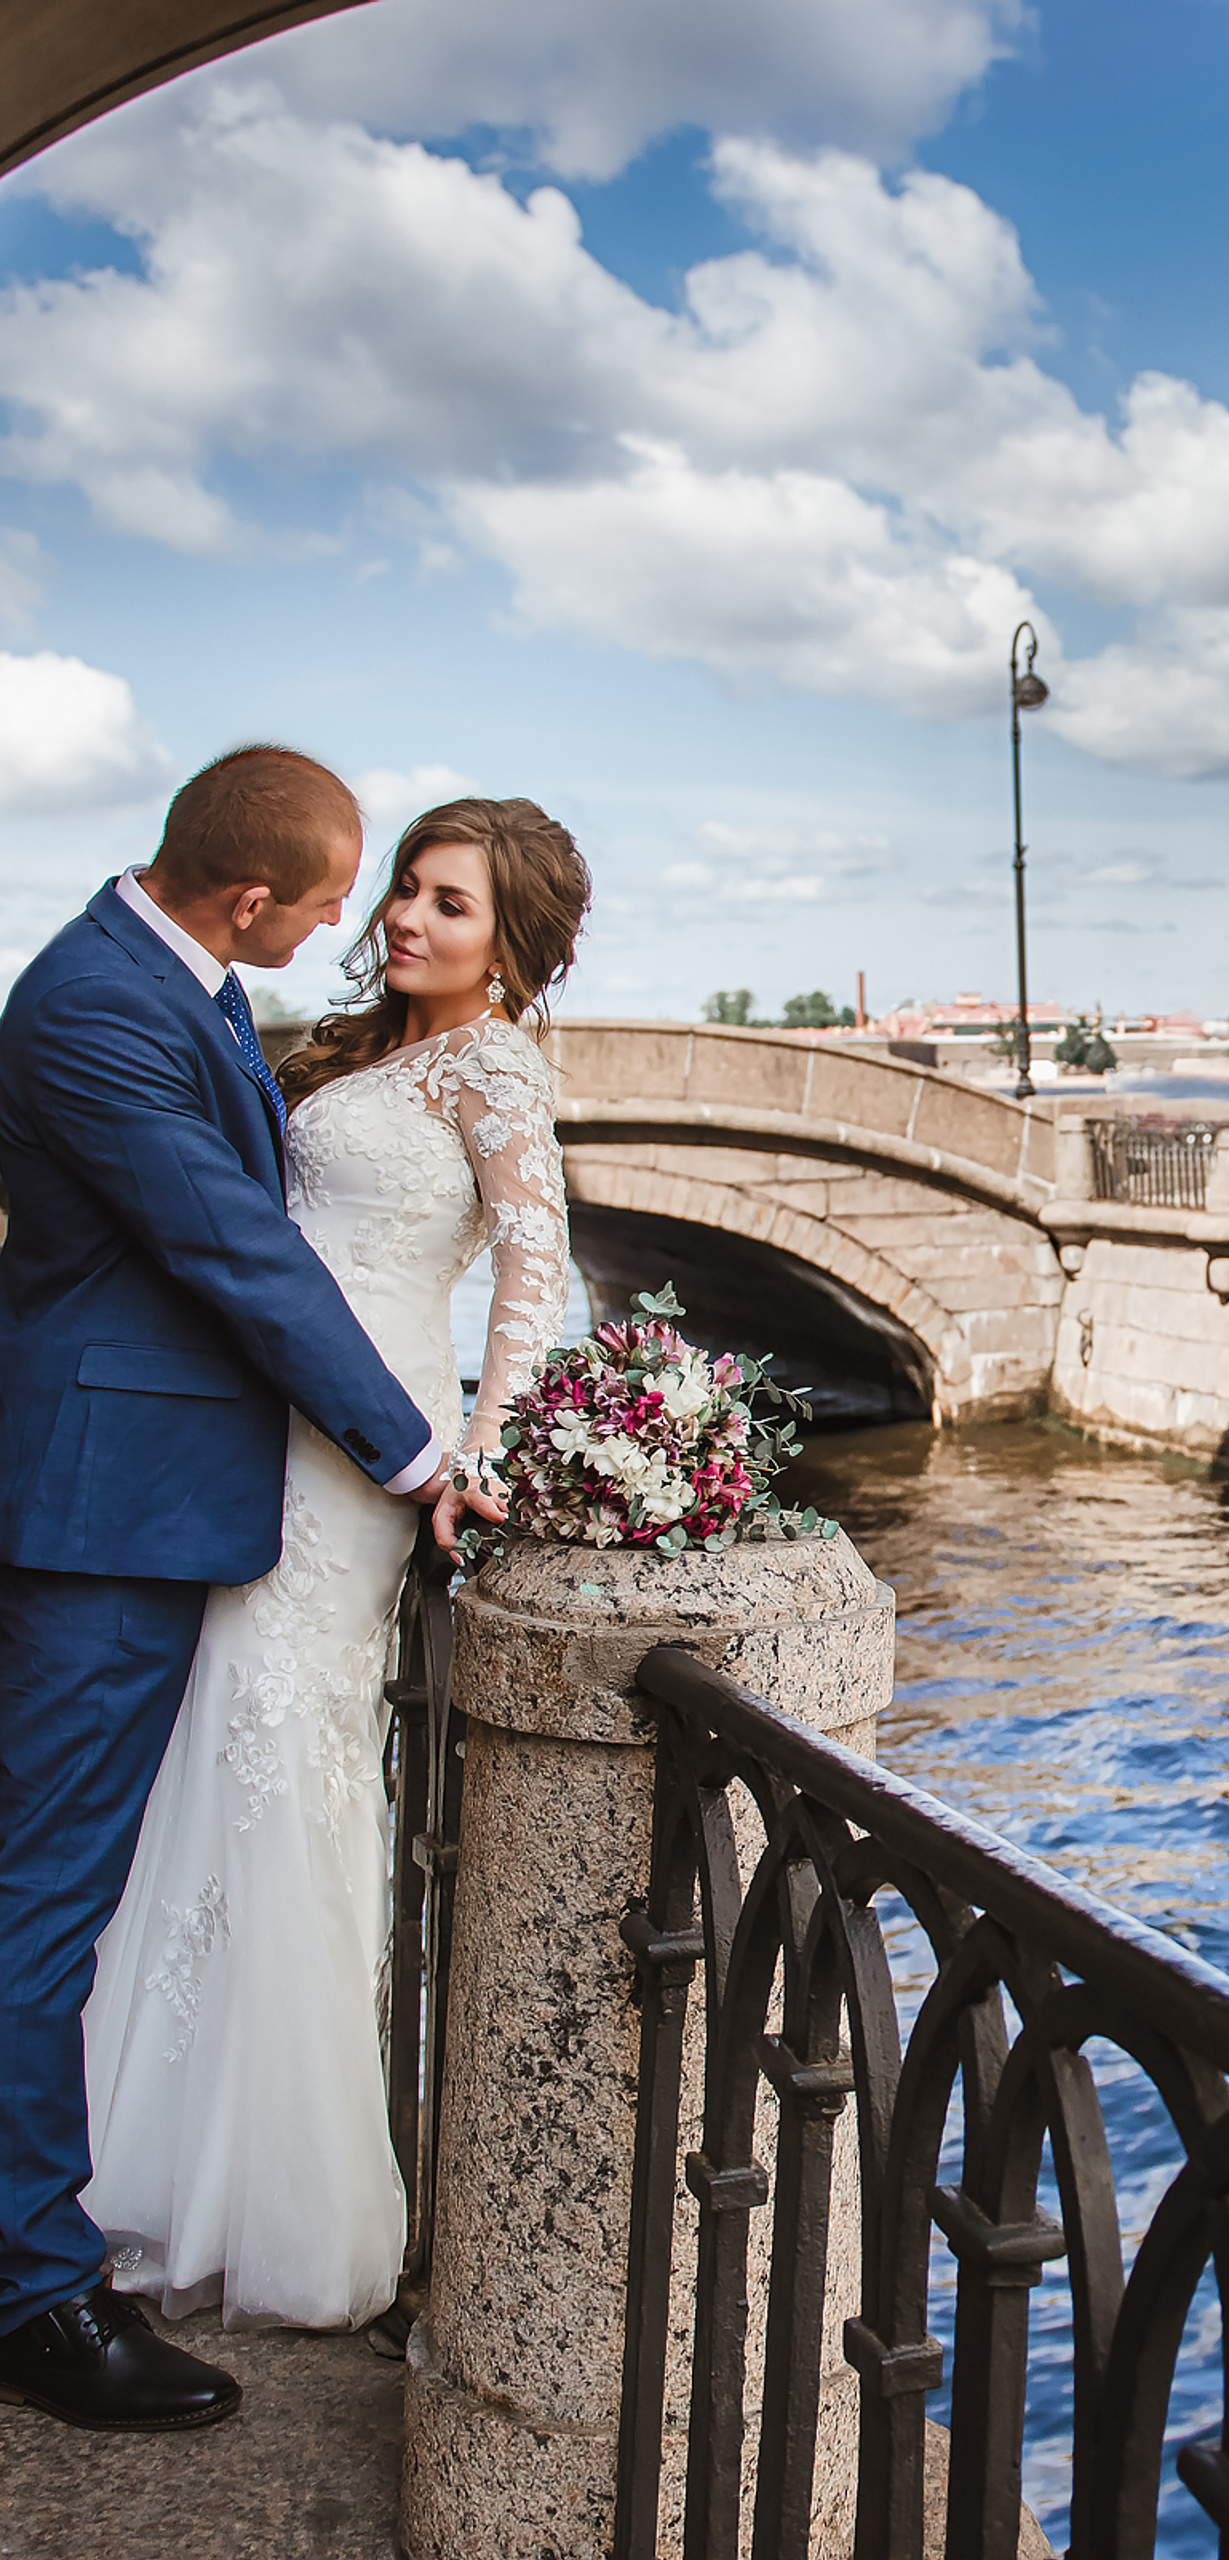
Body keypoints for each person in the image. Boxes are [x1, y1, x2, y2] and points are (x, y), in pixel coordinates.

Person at [76, 791, 586, 2353]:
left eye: (450, 904)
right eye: (408, 891)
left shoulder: (495, 1068)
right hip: (268, 1425)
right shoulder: (357, 1049)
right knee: (215, 1747)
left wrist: (485, 1451)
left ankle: (275, 2197)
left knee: (279, 1747)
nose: (408, 920)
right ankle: (147, 2143)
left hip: (368, 1452)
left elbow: (535, 1264)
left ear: (511, 945)